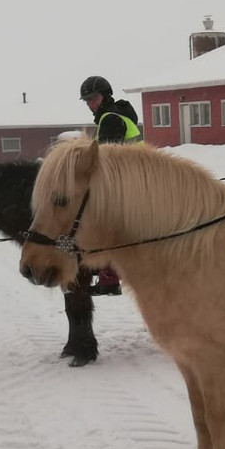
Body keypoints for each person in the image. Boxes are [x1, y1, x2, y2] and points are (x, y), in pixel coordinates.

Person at [79, 75, 142, 295]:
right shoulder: (118, 115)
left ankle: (109, 279)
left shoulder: (110, 119)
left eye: (93, 98)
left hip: (125, 182)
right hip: (134, 178)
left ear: (105, 96)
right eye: (87, 100)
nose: (90, 103)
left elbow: (107, 159)